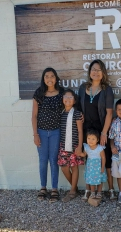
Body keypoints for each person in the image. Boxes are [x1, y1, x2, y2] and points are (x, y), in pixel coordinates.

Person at [78, 59, 116, 201]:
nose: (95, 72)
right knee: (88, 159)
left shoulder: (107, 89)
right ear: (89, 72)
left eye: (99, 70)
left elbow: (109, 113)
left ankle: (111, 189)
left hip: (101, 130)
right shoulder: (83, 88)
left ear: (103, 73)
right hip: (87, 131)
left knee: (105, 161)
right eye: (93, 69)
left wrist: (104, 132)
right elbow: (78, 107)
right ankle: (89, 190)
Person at [32, 67, 64, 202]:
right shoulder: (38, 93)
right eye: (46, 76)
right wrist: (35, 134)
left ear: (55, 78)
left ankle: (54, 188)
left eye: (52, 76)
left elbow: (70, 107)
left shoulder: (62, 93)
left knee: (53, 160)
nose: (49, 79)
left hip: (56, 131)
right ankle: (43, 187)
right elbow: (34, 116)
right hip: (41, 132)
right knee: (43, 160)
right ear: (43, 79)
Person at [57, 89, 84, 202]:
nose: (68, 99)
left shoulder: (77, 113)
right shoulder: (61, 113)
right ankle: (75, 187)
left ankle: (72, 191)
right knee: (64, 167)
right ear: (62, 99)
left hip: (74, 145)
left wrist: (79, 146)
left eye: (71, 97)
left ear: (74, 100)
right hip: (63, 145)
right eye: (66, 97)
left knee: (74, 166)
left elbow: (80, 131)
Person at [79, 129, 107, 199]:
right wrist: (79, 153)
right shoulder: (86, 147)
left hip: (98, 167)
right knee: (91, 180)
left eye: (93, 139)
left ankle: (99, 192)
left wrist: (103, 167)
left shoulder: (100, 148)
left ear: (97, 140)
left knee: (99, 179)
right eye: (88, 138)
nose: (90, 141)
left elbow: (103, 158)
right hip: (90, 167)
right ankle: (92, 192)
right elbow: (84, 155)